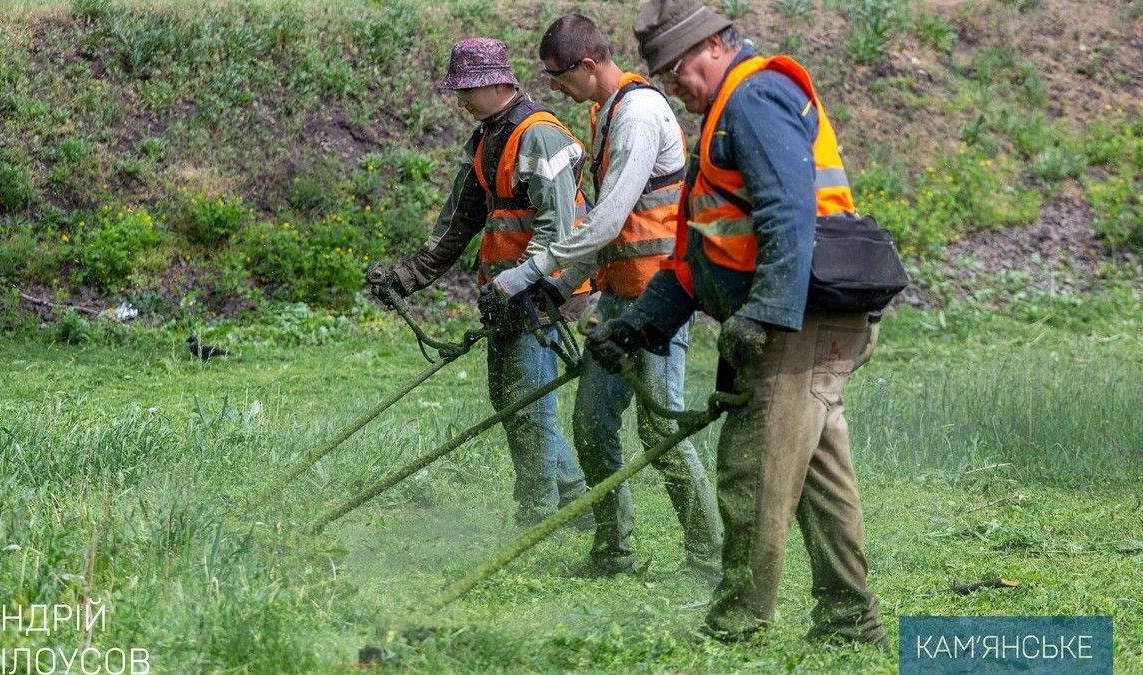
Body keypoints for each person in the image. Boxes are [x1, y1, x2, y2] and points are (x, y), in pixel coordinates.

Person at [584, 0, 889, 646]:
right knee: (815, 473)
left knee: (752, 467)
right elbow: (701, 254)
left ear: (715, 46)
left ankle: (735, 625)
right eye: (663, 74)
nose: (673, 85)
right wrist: (638, 325)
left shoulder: (752, 99)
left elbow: (788, 214)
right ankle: (849, 619)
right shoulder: (728, 111)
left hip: (800, 315)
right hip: (815, 315)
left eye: (677, 69)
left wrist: (766, 312)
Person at [487, 14, 722, 578]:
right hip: (619, 299)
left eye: (559, 77)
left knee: (661, 424)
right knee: (591, 425)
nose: (554, 90)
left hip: (661, 299)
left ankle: (709, 555)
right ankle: (613, 551)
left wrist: (530, 271)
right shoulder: (606, 112)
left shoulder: (638, 113)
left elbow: (606, 218)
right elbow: (609, 230)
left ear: (588, 65)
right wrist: (560, 284)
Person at [371, 38, 590, 528]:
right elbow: (458, 223)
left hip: (546, 293)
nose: (461, 99)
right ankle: (578, 504)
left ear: (499, 83)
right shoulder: (488, 138)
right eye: (458, 90)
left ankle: (537, 515)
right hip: (507, 294)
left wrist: (521, 282)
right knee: (511, 401)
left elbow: (560, 231)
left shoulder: (540, 135)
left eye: (468, 88)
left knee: (528, 407)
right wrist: (405, 279)